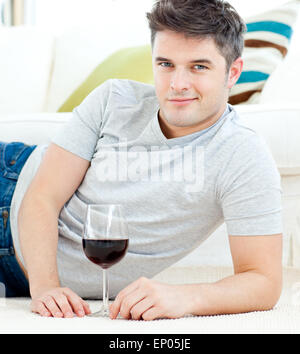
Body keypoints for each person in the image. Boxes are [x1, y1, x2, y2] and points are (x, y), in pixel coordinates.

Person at [0, 0, 283, 321]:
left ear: (232, 72)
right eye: (165, 64)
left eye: (198, 67)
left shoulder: (243, 156)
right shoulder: (114, 99)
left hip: (16, 273)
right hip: (10, 186)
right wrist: (46, 288)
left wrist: (184, 297)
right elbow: (42, 197)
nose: (177, 84)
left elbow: (264, 281)